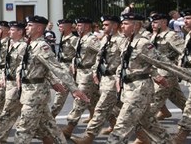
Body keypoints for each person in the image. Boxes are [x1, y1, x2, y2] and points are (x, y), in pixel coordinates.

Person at [13, 15, 89, 143]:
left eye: (30, 25)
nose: (26, 28)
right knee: (51, 128)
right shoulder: (30, 45)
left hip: (34, 95)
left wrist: (74, 89)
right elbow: (38, 68)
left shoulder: (41, 47)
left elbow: (56, 68)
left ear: (38, 29)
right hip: (29, 93)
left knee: (23, 130)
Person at [105, 13, 173, 143]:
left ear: (135, 26)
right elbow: (125, 64)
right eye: (122, 23)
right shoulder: (127, 42)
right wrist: (118, 78)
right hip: (129, 88)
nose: (122, 26)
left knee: (121, 126)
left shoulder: (143, 43)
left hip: (139, 89)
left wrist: (157, 75)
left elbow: (160, 62)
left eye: (125, 24)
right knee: (149, 124)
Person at [71, 15, 126, 143]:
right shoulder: (106, 39)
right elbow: (99, 57)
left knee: (101, 108)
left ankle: (88, 137)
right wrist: (96, 71)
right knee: (116, 107)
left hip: (113, 79)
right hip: (103, 79)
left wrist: (119, 77)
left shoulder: (121, 40)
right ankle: (141, 134)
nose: (103, 27)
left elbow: (127, 61)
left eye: (106, 25)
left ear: (114, 25)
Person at [62, 17, 101, 139]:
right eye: (77, 25)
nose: (77, 27)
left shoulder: (91, 39)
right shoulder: (81, 39)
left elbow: (102, 52)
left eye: (80, 25)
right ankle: (113, 123)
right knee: (95, 100)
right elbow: (78, 54)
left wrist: (96, 68)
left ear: (87, 27)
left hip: (88, 73)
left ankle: (69, 128)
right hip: (80, 73)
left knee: (79, 100)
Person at [50, 18, 79, 117]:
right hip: (62, 67)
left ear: (68, 26)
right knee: (78, 94)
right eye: (59, 26)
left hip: (68, 69)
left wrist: (73, 62)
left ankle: (51, 117)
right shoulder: (63, 37)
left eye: (61, 26)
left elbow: (80, 53)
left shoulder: (73, 39)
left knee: (61, 93)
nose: (59, 28)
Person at [174, 9, 191, 143]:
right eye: (185, 18)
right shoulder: (189, 35)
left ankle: (182, 134)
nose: (185, 21)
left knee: (189, 107)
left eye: (189, 18)